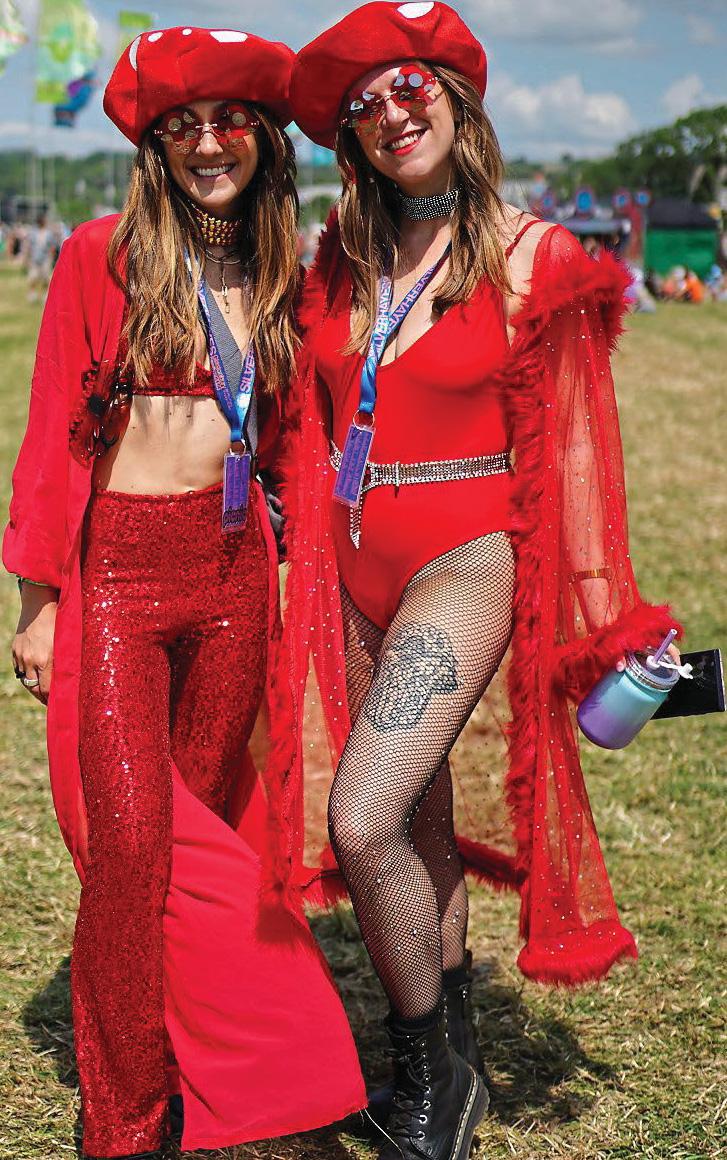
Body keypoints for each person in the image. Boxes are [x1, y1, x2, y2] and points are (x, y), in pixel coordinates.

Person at [273, 4, 682, 1160]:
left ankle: (425, 1076)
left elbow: (580, 459)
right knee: (415, 813)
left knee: (361, 816)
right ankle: (455, 1044)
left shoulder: (535, 255)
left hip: (464, 556)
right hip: (353, 556)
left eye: (409, 88)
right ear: (349, 138)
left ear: (455, 98)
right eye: (364, 106)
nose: (391, 114)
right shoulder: (343, 253)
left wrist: (605, 620)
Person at [4, 26, 365, 1160]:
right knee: (130, 851)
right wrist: (38, 598)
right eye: (184, 127)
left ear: (263, 139)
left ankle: (204, 1070)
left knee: (198, 835)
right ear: (155, 146)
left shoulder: (286, 270)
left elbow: (301, 434)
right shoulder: (98, 255)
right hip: (117, 572)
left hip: (234, 576)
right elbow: (51, 435)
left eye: (230, 122)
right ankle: (121, 1119)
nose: (209, 144)